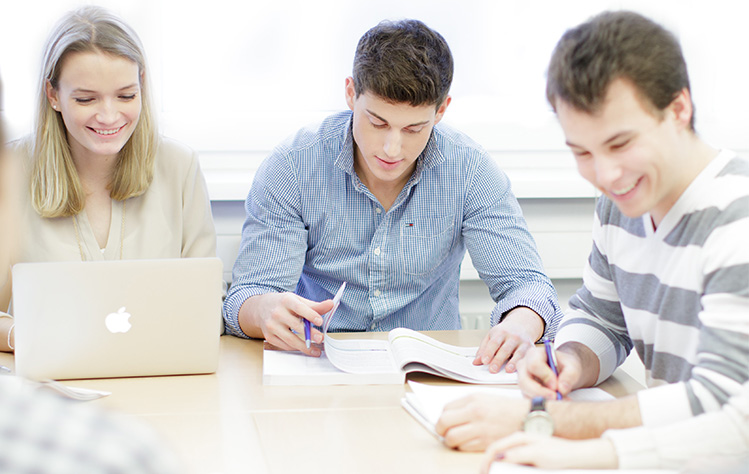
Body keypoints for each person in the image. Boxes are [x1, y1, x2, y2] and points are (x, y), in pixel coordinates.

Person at [435, 9, 749, 464]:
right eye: (582, 152)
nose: (605, 175)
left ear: (679, 110)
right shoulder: (623, 206)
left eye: (620, 144)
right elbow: (602, 318)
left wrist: (539, 419)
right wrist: (569, 362)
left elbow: (720, 405)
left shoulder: (737, 218)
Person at [224, 19, 563, 371]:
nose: (392, 148)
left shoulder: (469, 170)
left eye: (414, 128)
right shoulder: (293, 166)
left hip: (427, 374)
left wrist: (520, 325)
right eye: (377, 122)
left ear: (442, 110)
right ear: (351, 93)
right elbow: (242, 302)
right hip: (317, 365)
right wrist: (264, 311)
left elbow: (530, 287)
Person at [0, 6, 217, 352]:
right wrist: (20, 337)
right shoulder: (9, 171)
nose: (109, 116)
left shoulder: (179, 166)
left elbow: (206, 302)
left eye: (126, 95)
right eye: (86, 99)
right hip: (51, 383)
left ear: (142, 85)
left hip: (158, 376)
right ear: (53, 95)